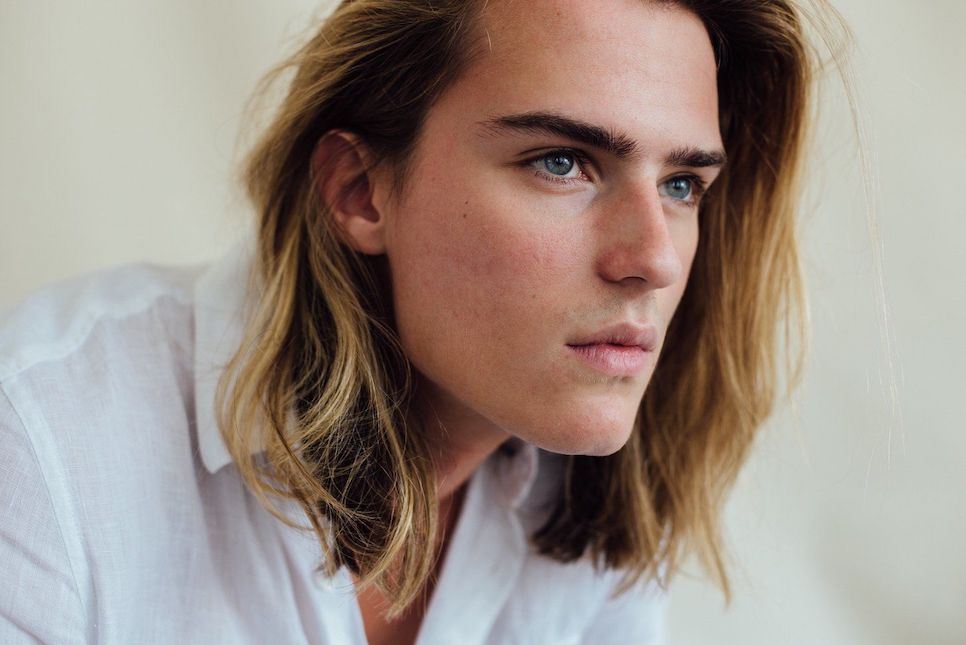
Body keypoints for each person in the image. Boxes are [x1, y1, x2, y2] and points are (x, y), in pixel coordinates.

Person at [0, 0, 827, 643]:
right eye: (562, 162)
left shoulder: (593, 502)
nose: (655, 257)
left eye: (682, 184)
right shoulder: (45, 441)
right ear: (359, 190)